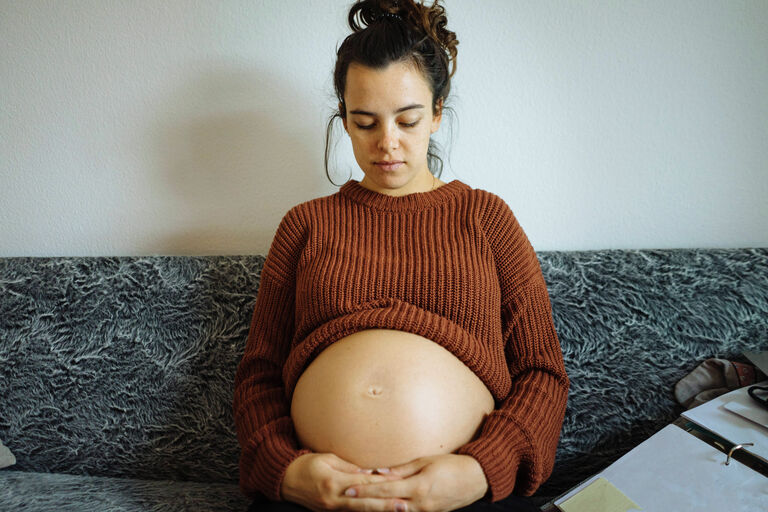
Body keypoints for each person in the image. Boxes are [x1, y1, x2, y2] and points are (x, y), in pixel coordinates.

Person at [233, 1, 570, 511]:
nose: (386, 144)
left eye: (407, 120)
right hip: (313, 501)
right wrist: (286, 471)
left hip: (462, 498)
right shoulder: (305, 225)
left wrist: (481, 469)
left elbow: (543, 373)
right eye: (364, 121)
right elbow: (258, 375)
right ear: (343, 120)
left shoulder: (486, 218)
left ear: (436, 113)